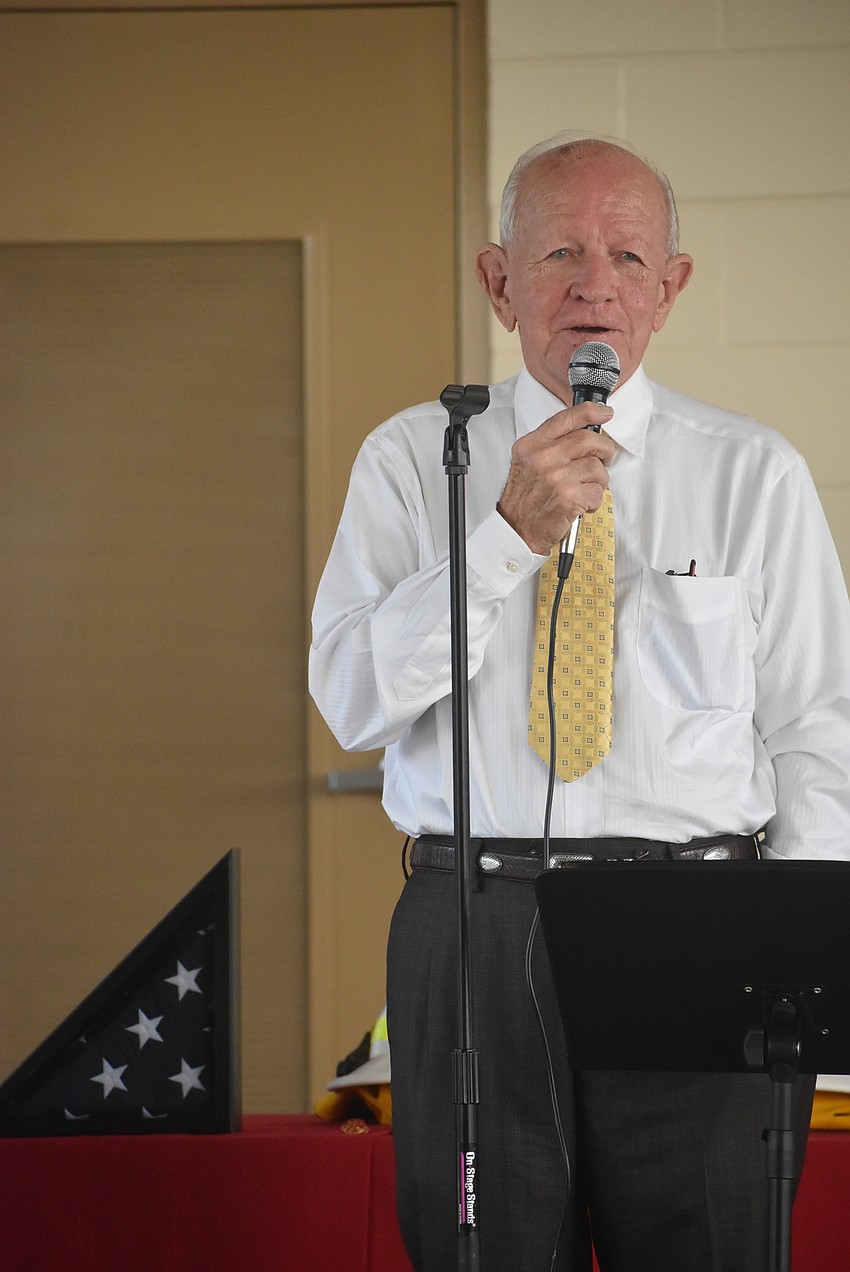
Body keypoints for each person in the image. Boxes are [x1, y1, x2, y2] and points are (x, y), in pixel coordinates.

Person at [309, 133, 850, 1272]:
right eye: (558, 252)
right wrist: (505, 535)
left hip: (702, 927)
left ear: (670, 287)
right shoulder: (415, 460)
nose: (593, 285)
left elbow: (818, 733)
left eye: (627, 256)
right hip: (476, 921)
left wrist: (809, 965)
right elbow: (352, 700)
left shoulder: (753, 472)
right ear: (499, 281)